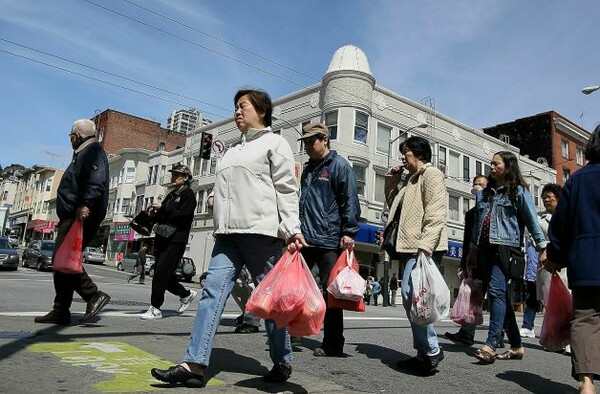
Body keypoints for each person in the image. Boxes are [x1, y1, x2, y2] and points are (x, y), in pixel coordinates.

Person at [151, 88, 306, 387]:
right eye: (235, 106)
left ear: (261, 111)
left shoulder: (276, 143)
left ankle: (282, 360)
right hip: (227, 235)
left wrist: (292, 229)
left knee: (270, 303)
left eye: (243, 106)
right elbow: (229, 186)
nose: (237, 111)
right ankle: (194, 365)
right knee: (211, 293)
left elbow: (287, 189)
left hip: (261, 233)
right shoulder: (232, 150)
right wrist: (215, 201)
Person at [466, 151, 547, 365]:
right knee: (498, 294)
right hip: (484, 249)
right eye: (490, 164)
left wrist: (542, 247)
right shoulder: (485, 194)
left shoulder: (518, 192)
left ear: (508, 166)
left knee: (495, 292)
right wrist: (472, 251)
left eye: (496, 163)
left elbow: (532, 221)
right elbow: (478, 224)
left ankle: (491, 344)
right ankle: (517, 346)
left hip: (505, 248)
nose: (491, 167)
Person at [35, 119, 111, 325]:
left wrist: (85, 204)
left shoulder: (92, 151)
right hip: (74, 215)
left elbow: (95, 182)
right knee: (62, 263)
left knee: (64, 260)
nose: (70, 140)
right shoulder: (85, 153)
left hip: (80, 216)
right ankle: (61, 310)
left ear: (76, 136)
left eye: (70, 136)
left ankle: (93, 295)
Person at [385, 136, 448, 376]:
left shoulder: (431, 175)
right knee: (414, 300)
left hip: (422, 246)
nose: (403, 156)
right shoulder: (410, 180)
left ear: (418, 153)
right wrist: (393, 178)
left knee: (415, 297)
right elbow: (392, 203)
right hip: (408, 246)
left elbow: (436, 211)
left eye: (407, 151)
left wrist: (425, 246)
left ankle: (431, 350)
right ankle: (424, 354)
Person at [296, 122, 360, 357]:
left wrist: (349, 232)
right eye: (305, 141)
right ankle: (294, 333)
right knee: (297, 289)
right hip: (305, 238)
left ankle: (333, 343)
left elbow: (350, 200)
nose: (308, 145)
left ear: (325, 139)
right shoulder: (308, 169)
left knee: (331, 294)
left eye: (312, 140)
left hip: (328, 240)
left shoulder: (339, 165)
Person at [546, 124, 600, 394]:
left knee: (586, 319)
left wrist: (556, 256)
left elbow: (560, 225)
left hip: (586, 261)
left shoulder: (577, 180)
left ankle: (587, 382)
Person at [140, 163, 198, 320]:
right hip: (163, 237)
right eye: (172, 174)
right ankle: (185, 294)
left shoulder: (189, 195)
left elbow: (183, 216)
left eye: (176, 174)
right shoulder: (171, 195)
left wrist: (163, 209)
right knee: (162, 274)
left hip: (176, 239)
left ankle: (155, 308)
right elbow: (164, 216)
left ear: (185, 177)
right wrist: (154, 213)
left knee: (160, 273)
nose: (172, 177)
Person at [445, 175, 488, 346]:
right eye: (476, 184)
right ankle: (466, 333)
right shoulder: (470, 214)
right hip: (473, 259)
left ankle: (498, 335)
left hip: (489, 258)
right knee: (473, 297)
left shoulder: (491, 208)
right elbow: (466, 239)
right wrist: (463, 263)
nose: (478, 187)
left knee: (495, 296)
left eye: (482, 185)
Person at [520, 183, 565, 339]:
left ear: (558, 198)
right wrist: (544, 249)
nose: (546, 199)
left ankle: (563, 335)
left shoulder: (566, 215)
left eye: (549, 196)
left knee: (565, 298)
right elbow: (532, 236)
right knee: (549, 299)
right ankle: (552, 334)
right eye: (544, 197)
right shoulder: (538, 218)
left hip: (563, 263)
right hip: (544, 262)